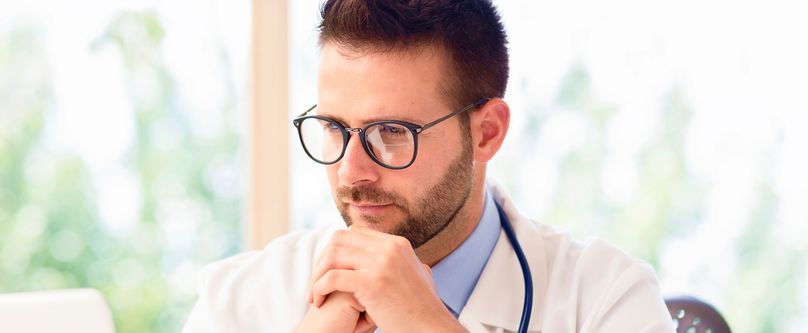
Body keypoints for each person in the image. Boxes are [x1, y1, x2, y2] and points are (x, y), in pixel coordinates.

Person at [183, 0, 674, 332]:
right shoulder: (241, 297)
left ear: (487, 133)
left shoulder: (606, 295)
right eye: (335, 128)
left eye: (392, 133)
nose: (352, 172)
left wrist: (426, 323)